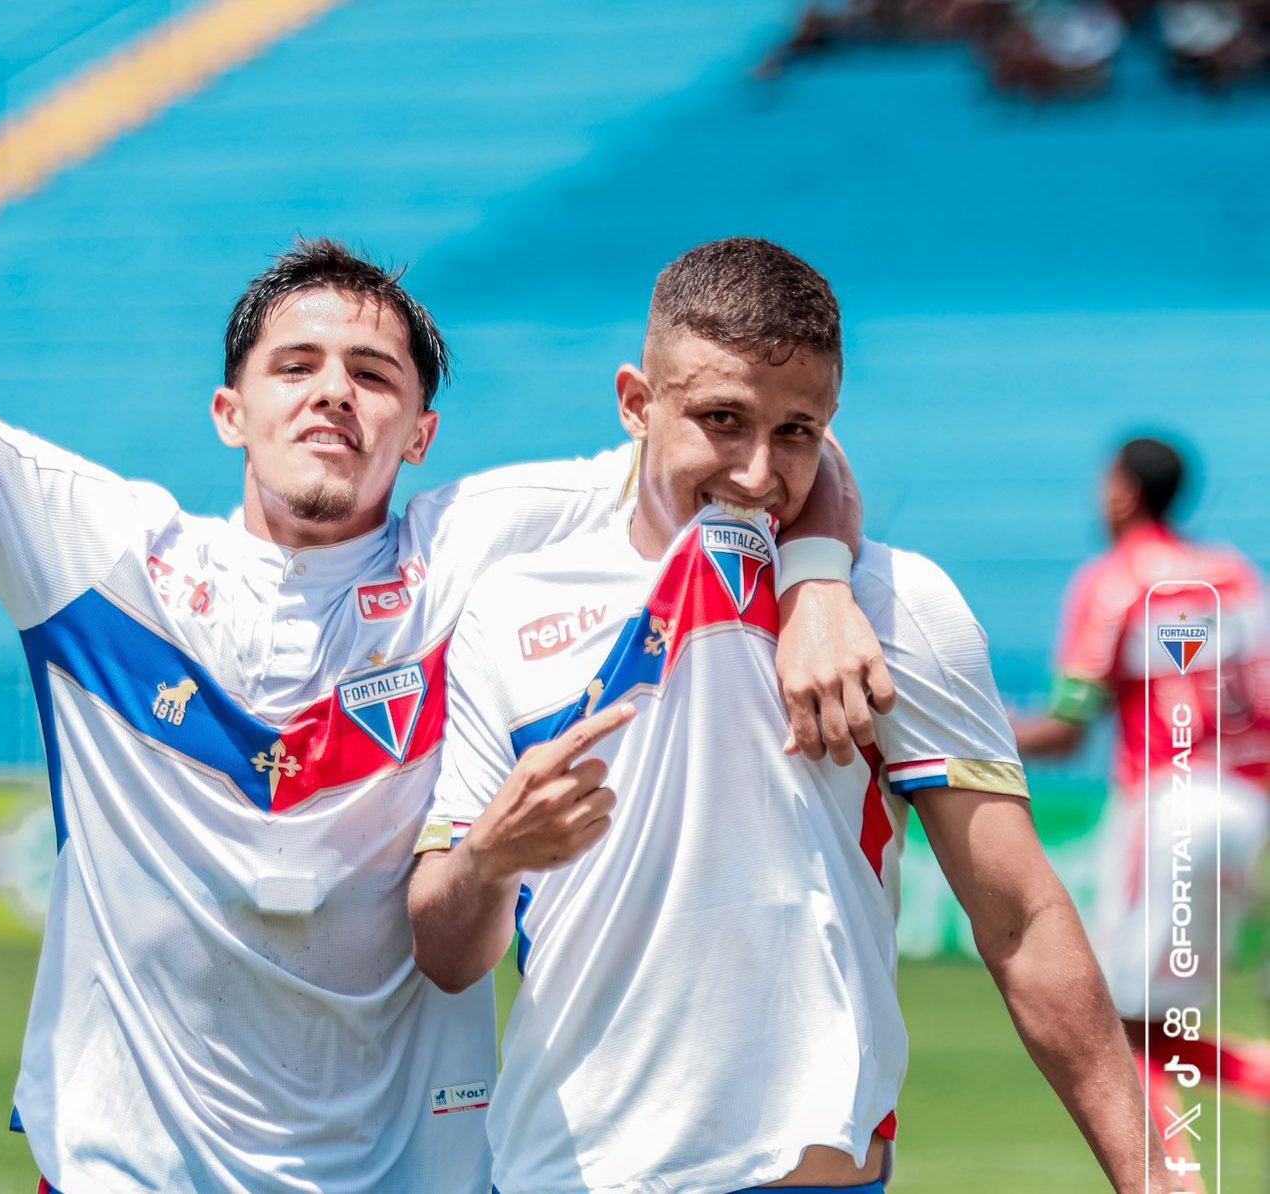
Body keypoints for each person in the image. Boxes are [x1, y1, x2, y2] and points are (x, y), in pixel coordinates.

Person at [0, 23, 893, 1194]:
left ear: (419, 433)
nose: (335, 393)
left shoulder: (481, 543)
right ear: (231, 411)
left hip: (410, 1170)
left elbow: (760, 446)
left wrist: (822, 578)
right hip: (134, 1166)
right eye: (296, 366)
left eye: (375, 376)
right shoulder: (101, 553)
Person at [410, 238, 1177, 1192]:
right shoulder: (511, 608)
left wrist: (1158, 1180)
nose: (759, 473)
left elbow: (1022, 922)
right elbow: (447, 954)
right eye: (722, 420)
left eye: (798, 431)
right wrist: (490, 856)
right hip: (558, 1175)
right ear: (636, 404)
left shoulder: (902, 608)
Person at [1011, 437, 1270, 1126]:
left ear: (1124, 492)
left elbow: (1068, 728)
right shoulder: (1235, 574)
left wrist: (975, 733)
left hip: (1168, 808)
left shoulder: (1116, 581)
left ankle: (1169, 1181)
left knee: (1119, 1026)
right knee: (1153, 1028)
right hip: (1245, 805)